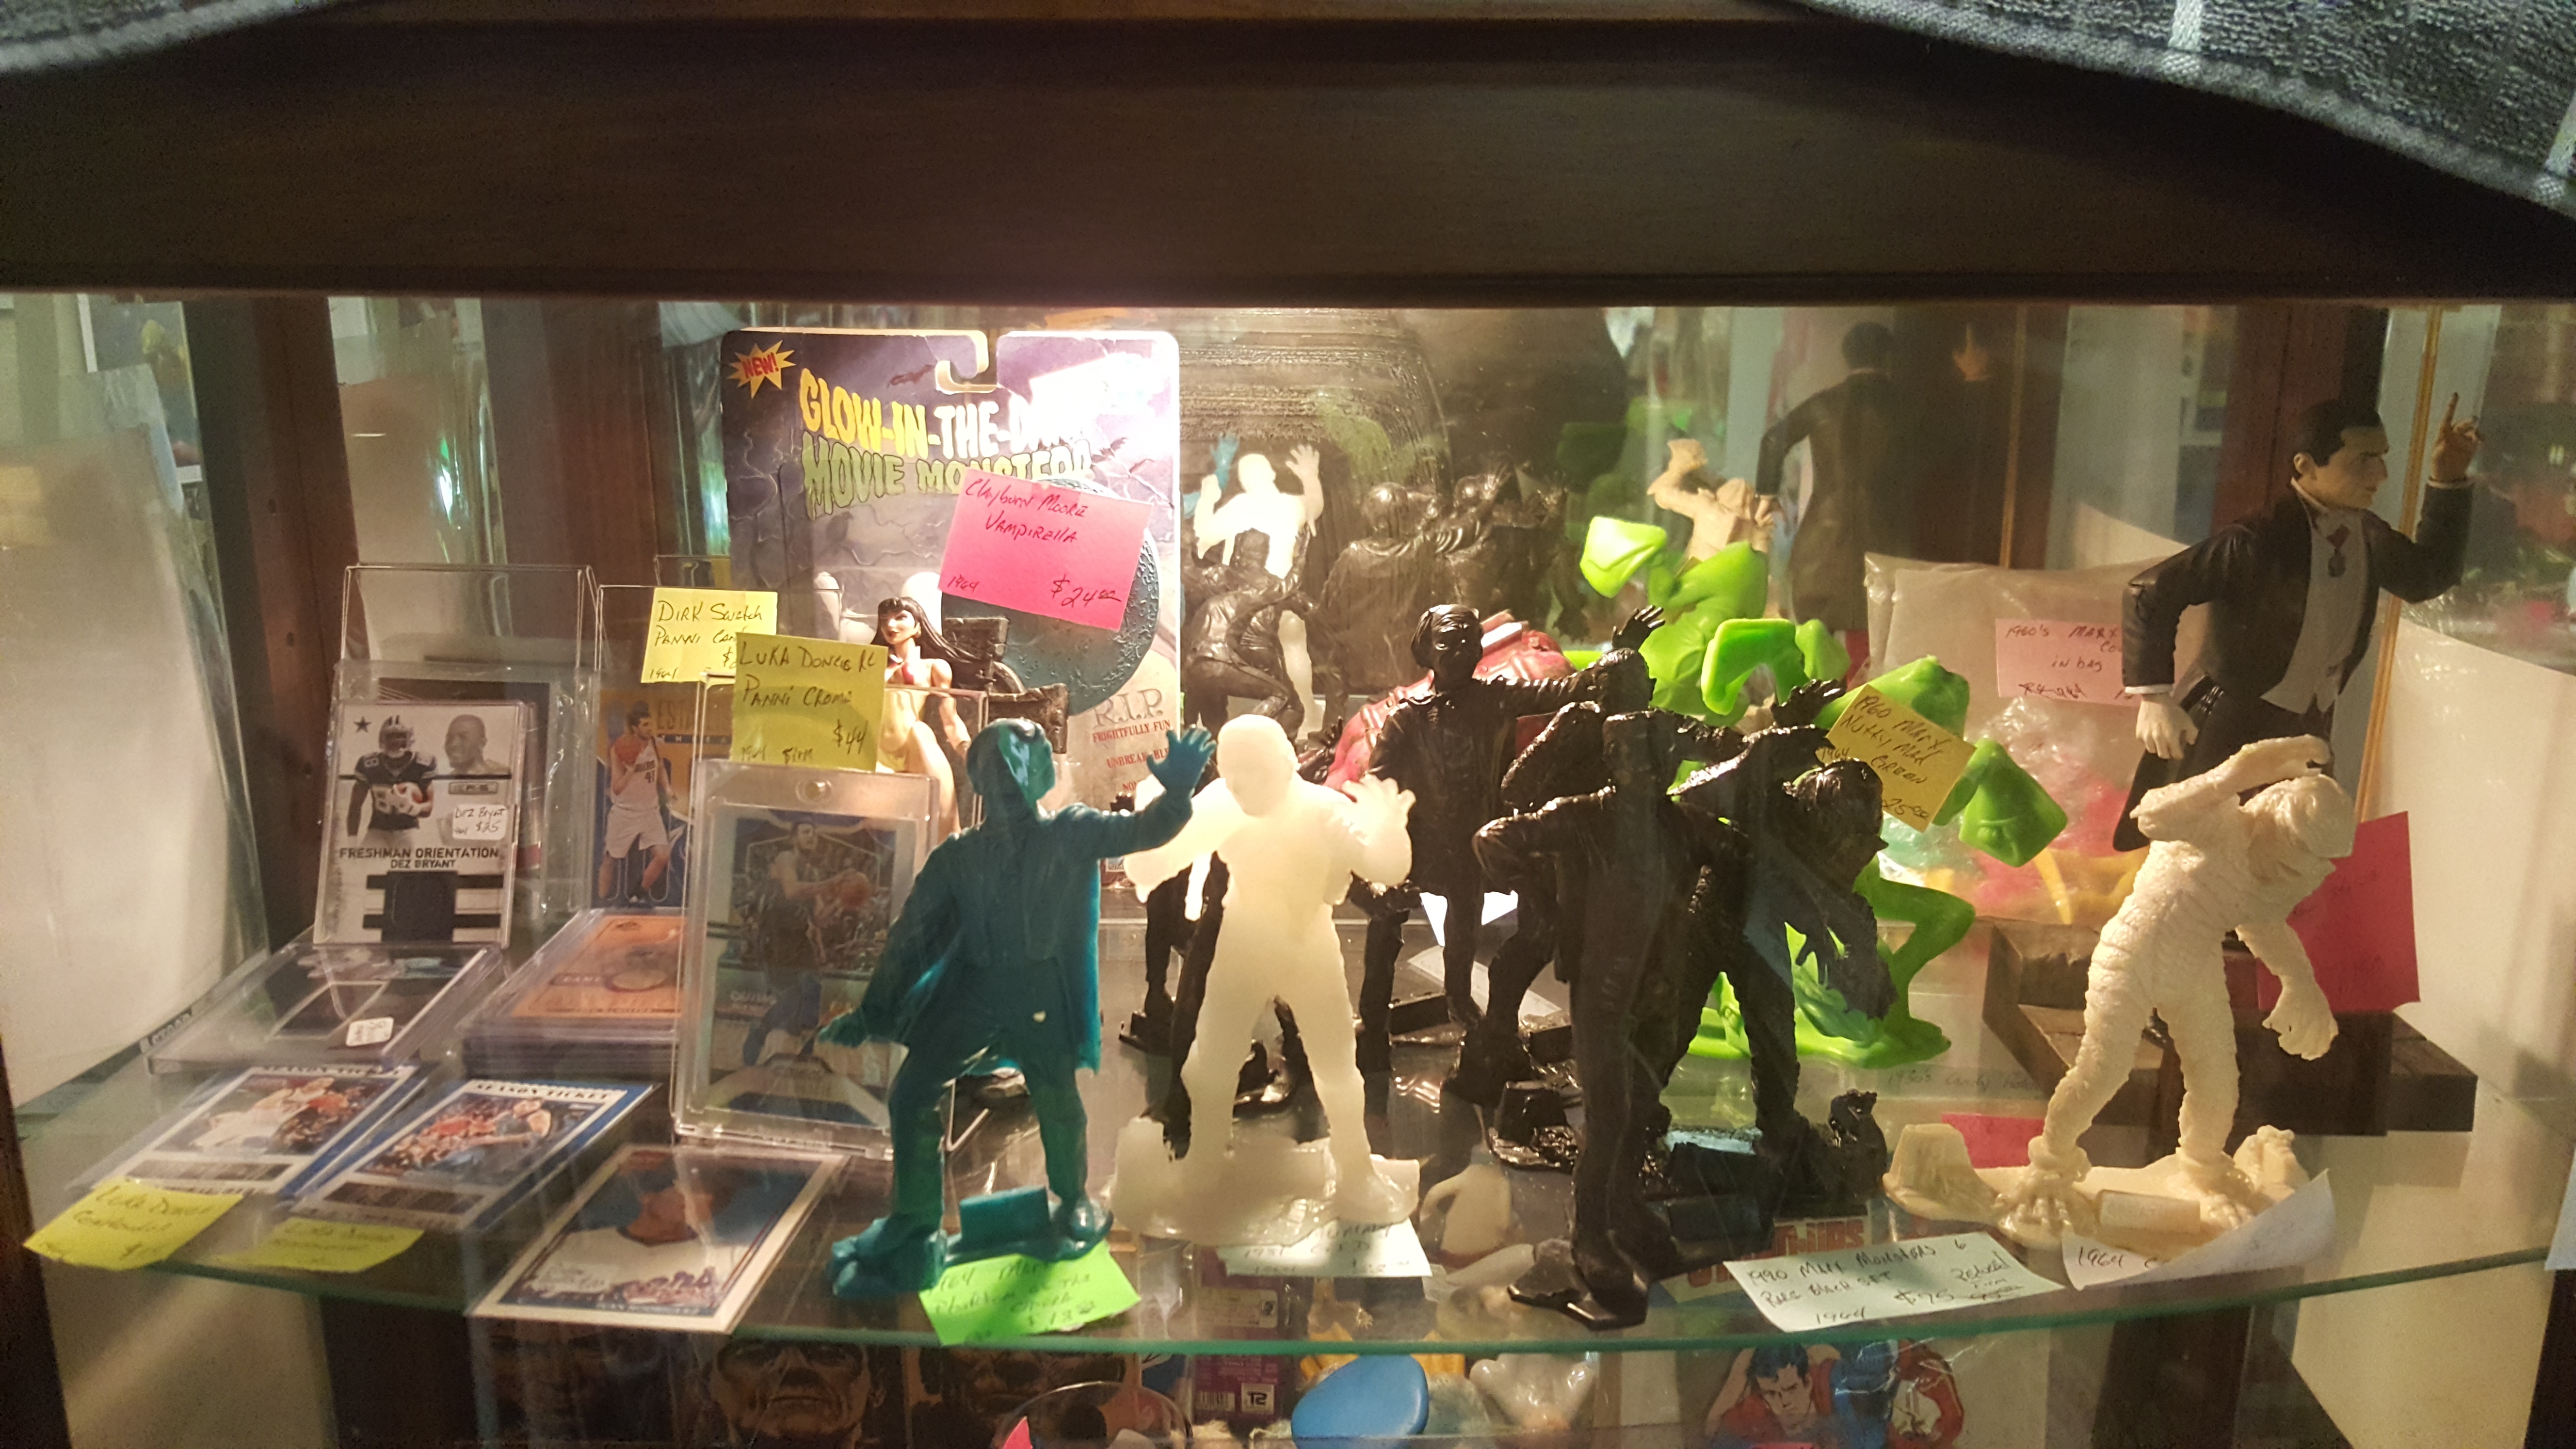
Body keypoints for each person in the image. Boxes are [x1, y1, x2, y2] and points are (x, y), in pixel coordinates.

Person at [821, 721, 1216, 1295]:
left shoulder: (1070, 832)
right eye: (993, 770)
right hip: (975, 994)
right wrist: (873, 1012)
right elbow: (912, 939)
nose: (1006, 782)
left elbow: (1143, 830)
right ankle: (916, 1221)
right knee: (911, 1094)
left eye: (1017, 769)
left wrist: (1178, 793)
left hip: (1040, 998)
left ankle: (1072, 1200)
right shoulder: (958, 856)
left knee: (1056, 1096)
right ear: (977, 780)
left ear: (1040, 776)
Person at [2002, 736, 2351, 1242]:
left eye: (2311, 865)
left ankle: (2201, 1169)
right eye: (2295, 855)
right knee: (2103, 1070)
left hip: (2194, 966)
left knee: (2217, 1082)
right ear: (2274, 824)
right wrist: (2234, 773)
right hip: (2132, 954)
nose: (2299, 874)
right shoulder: (2217, 823)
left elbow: (2263, 924)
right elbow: (2152, 815)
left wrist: (2299, 980)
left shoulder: (2265, 871)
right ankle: (2049, 1165)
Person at [2115, 395, 2478, 850]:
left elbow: (2426, 577)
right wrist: (2154, 697)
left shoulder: (2367, 536)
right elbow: (2150, 592)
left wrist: (2448, 480)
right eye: (2363, 461)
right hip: (2233, 715)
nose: (2381, 475)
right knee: (2194, 838)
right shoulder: (2258, 540)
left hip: (2311, 720)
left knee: (2289, 844)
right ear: (2307, 466)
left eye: (2382, 458)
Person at [1124, 715, 1417, 1231]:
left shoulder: (1323, 810)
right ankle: (1204, 1162)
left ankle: (1356, 1169)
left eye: (1252, 771)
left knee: (1335, 1065)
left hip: (1309, 945)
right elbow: (1151, 865)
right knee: (1212, 1063)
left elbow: (1385, 868)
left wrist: (1389, 830)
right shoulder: (1223, 803)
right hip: (1244, 941)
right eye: (1231, 772)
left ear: (1286, 764)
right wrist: (1157, 816)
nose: (1240, 785)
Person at [1357, 603, 1662, 1071]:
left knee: (1464, 926)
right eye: (1448, 640)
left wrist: (1619, 654)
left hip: (1472, 843)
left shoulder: (1496, 697)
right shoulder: (1407, 718)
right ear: (1425, 650)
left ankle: (1460, 999)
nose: (1460, 649)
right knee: (1385, 925)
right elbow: (1375, 785)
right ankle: (1373, 1020)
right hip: (1416, 845)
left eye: (1469, 639)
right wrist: (1379, 853)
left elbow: (1566, 689)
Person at [1755, 321, 1902, 656]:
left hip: (1823, 536)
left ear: (1847, 357)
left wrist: (1767, 495)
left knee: (1815, 637)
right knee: (1874, 632)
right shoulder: (1904, 404)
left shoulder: (1825, 403)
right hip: (1884, 535)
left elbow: (1773, 440)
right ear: (1888, 357)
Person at [874, 596, 967, 839]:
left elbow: (950, 717)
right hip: (876, 751)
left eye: (900, 618)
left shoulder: (934, 667)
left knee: (941, 813)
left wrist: (965, 747)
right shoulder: (871, 664)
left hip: (913, 748)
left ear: (918, 626)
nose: (891, 625)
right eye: (885, 620)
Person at [599, 701, 672, 903]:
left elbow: (660, 768)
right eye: (645, 725)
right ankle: (599, 900)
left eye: (651, 724)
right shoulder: (620, 749)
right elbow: (617, 788)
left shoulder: (653, 743)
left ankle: (638, 894)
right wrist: (631, 771)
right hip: (626, 812)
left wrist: (668, 788)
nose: (650, 729)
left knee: (663, 856)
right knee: (610, 860)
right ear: (635, 728)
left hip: (650, 811)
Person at [1707, 1344, 1841, 1449]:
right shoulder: (1751, 1413)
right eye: (1771, 1394)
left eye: (1791, 1389)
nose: (1785, 1402)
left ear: (1808, 1383)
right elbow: (1717, 1435)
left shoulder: (1831, 1389)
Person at [346, 716, 434, 846]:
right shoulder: (369, 764)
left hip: (408, 829)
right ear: (382, 739)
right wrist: (352, 840)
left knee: (417, 854)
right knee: (364, 857)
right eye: (391, 736)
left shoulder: (421, 764)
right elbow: (355, 805)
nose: (395, 741)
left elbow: (428, 807)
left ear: (410, 738)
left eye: (400, 736)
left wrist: (413, 808)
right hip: (378, 829)